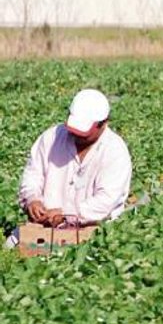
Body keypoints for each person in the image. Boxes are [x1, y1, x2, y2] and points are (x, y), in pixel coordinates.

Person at [11, 88, 131, 244]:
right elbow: (32, 175)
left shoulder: (115, 151)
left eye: (84, 132)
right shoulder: (51, 138)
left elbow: (105, 201)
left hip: (95, 232)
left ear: (103, 124)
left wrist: (66, 214)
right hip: (44, 227)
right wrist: (32, 199)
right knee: (12, 247)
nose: (76, 135)